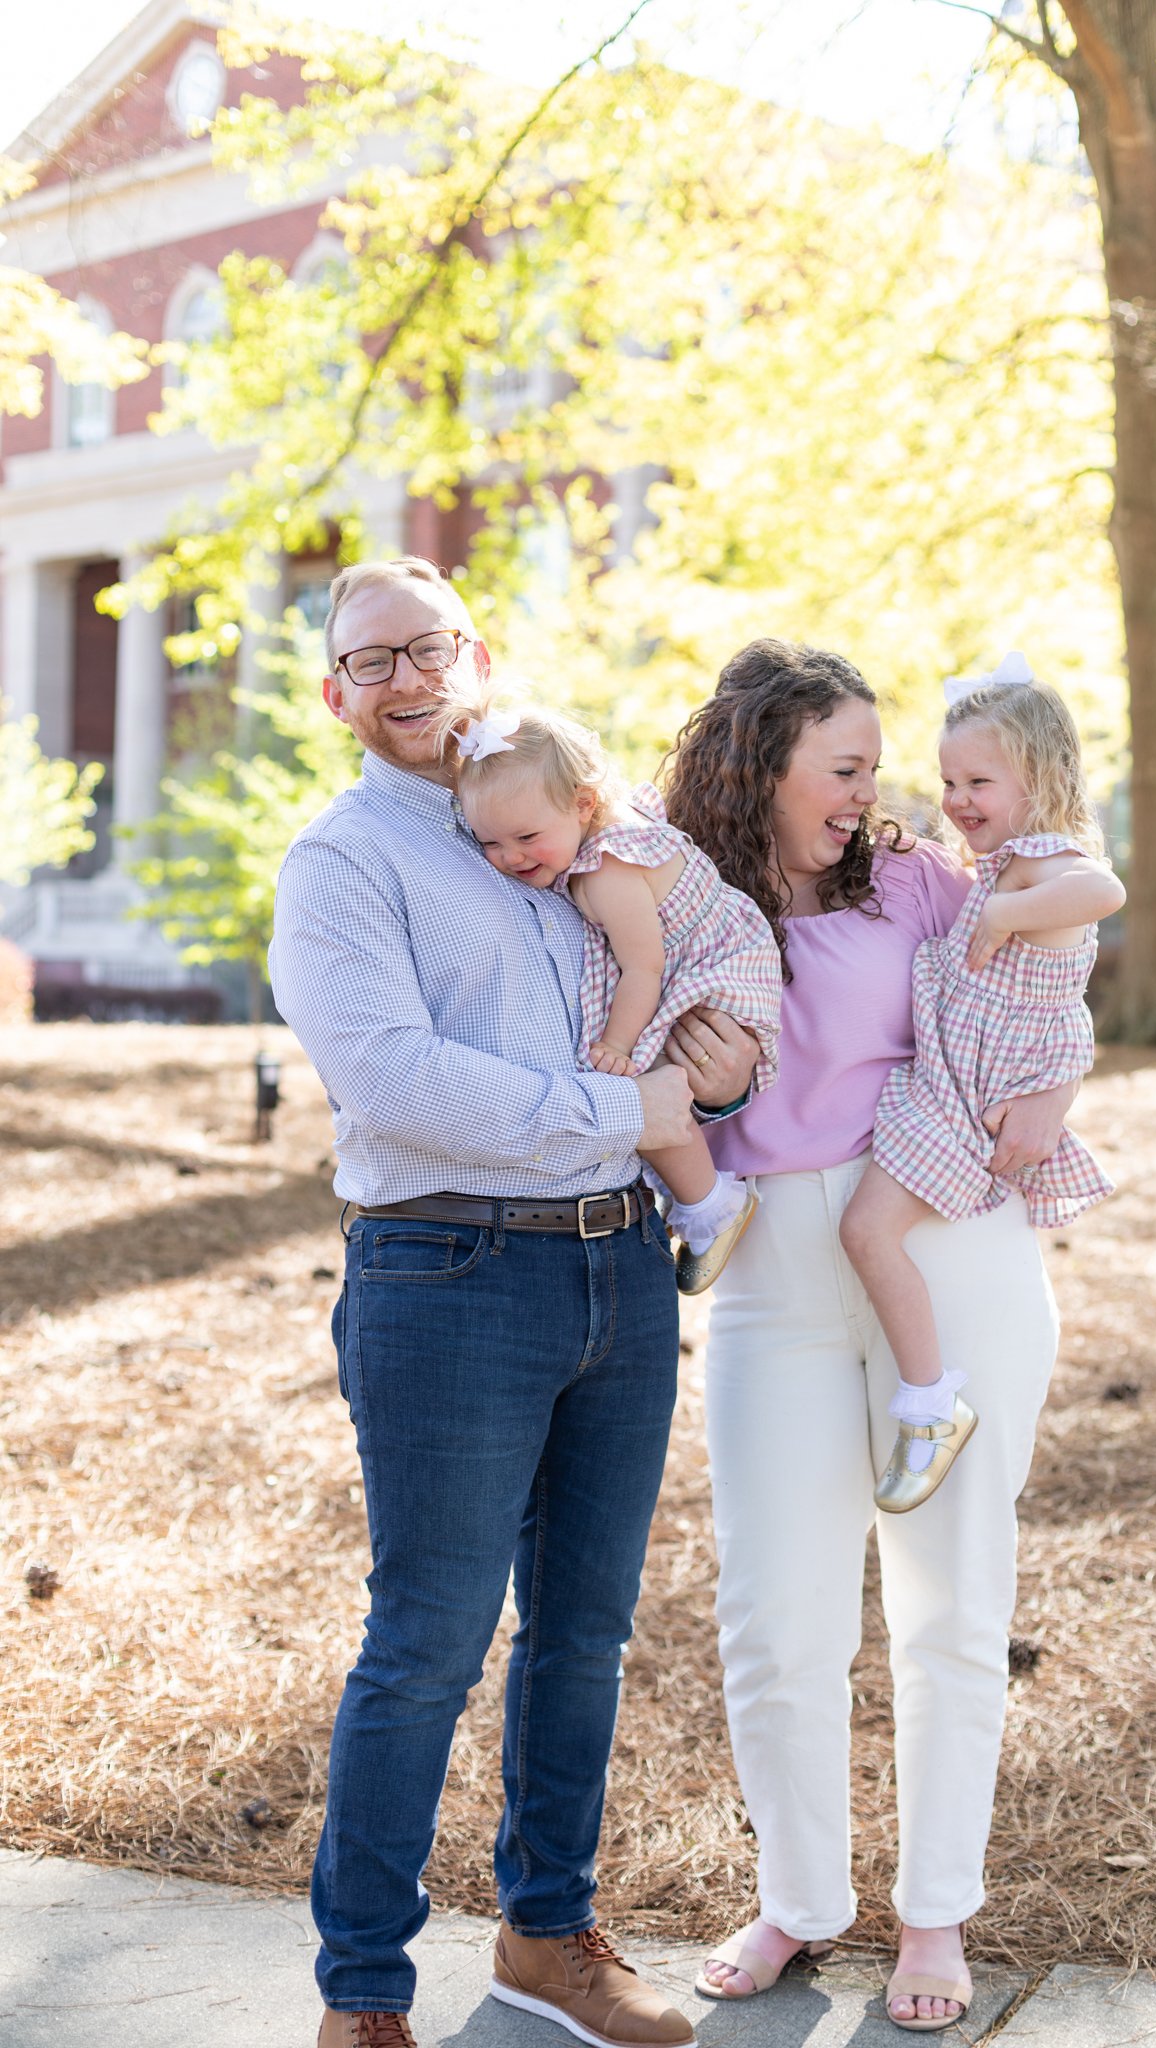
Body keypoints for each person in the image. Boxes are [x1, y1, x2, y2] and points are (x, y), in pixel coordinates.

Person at [268, 556, 758, 2048]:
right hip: (450, 1275)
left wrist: (723, 1070)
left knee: (585, 1634)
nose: (406, 678)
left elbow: (688, 999)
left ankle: (549, 1938)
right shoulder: (343, 860)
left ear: (474, 653)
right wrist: (644, 1111)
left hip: (618, 1266)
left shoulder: (571, 818)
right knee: (428, 1637)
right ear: (336, 694)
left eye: (428, 647)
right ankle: (362, 1993)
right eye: (373, 661)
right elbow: (400, 1086)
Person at [662, 638, 1076, 2034]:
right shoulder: (680, 889)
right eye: (842, 767)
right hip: (773, 1268)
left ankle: (934, 1911)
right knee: (775, 1615)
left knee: (952, 1603)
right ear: (762, 762)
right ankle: (800, 1897)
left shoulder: (915, 876)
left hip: (941, 1240)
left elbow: (1042, 965)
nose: (868, 792)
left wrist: (1053, 1097)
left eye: (874, 768)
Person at [839, 653, 1124, 1515]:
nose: (958, 800)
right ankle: (927, 1399)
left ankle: (929, 1403)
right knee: (867, 1235)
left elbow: (1103, 889)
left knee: (865, 1232)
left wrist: (1000, 912)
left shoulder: (1041, 867)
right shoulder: (999, 865)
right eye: (948, 780)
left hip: (965, 1103)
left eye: (978, 781)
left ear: (1037, 778)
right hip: (953, 1084)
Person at [432, 685, 783, 1292]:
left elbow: (644, 967)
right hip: (690, 959)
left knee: (634, 1082)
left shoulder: (609, 870)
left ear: (583, 803)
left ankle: (711, 1203)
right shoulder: (590, 844)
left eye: (525, 836)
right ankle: (697, 1195)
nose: (510, 857)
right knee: (630, 1088)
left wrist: (618, 1044)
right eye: (489, 843)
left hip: (714, 964)